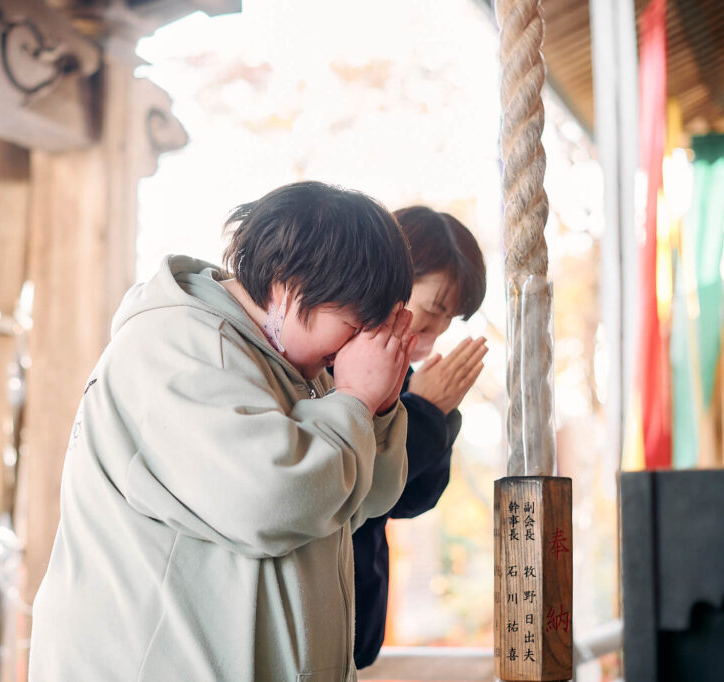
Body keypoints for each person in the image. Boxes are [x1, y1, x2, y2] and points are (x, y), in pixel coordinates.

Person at [29, 181, 419, 681]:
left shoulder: (295, 365)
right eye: (356, 322)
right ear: (286, 282)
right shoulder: (177, 344)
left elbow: (360, 502)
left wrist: (378, 409)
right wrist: (356, 401)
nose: (363, 344)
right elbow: (273, 499)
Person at [352, 205, 488, 669]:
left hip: (356, 637)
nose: (429, 340)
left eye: (444, 326)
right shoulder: (331, 363)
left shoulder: (405, 373)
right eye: (429, 314)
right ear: (388, 274)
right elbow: (352, 486)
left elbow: (409, 501)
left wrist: (440, 414)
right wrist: (425, 413)